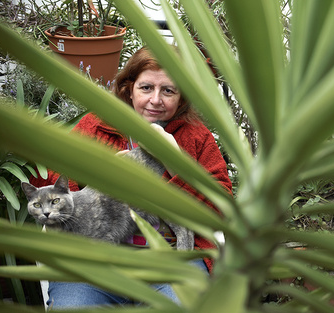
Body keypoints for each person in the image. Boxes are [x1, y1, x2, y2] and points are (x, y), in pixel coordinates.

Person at [29, 47, 232, 308]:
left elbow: (221, 203)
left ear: (181, 99)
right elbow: (51, 178)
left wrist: (174, 161)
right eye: (146, 88)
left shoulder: (196, 136)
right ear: (129, 88)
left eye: (168, 91)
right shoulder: (96, 126)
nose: (155, 100)